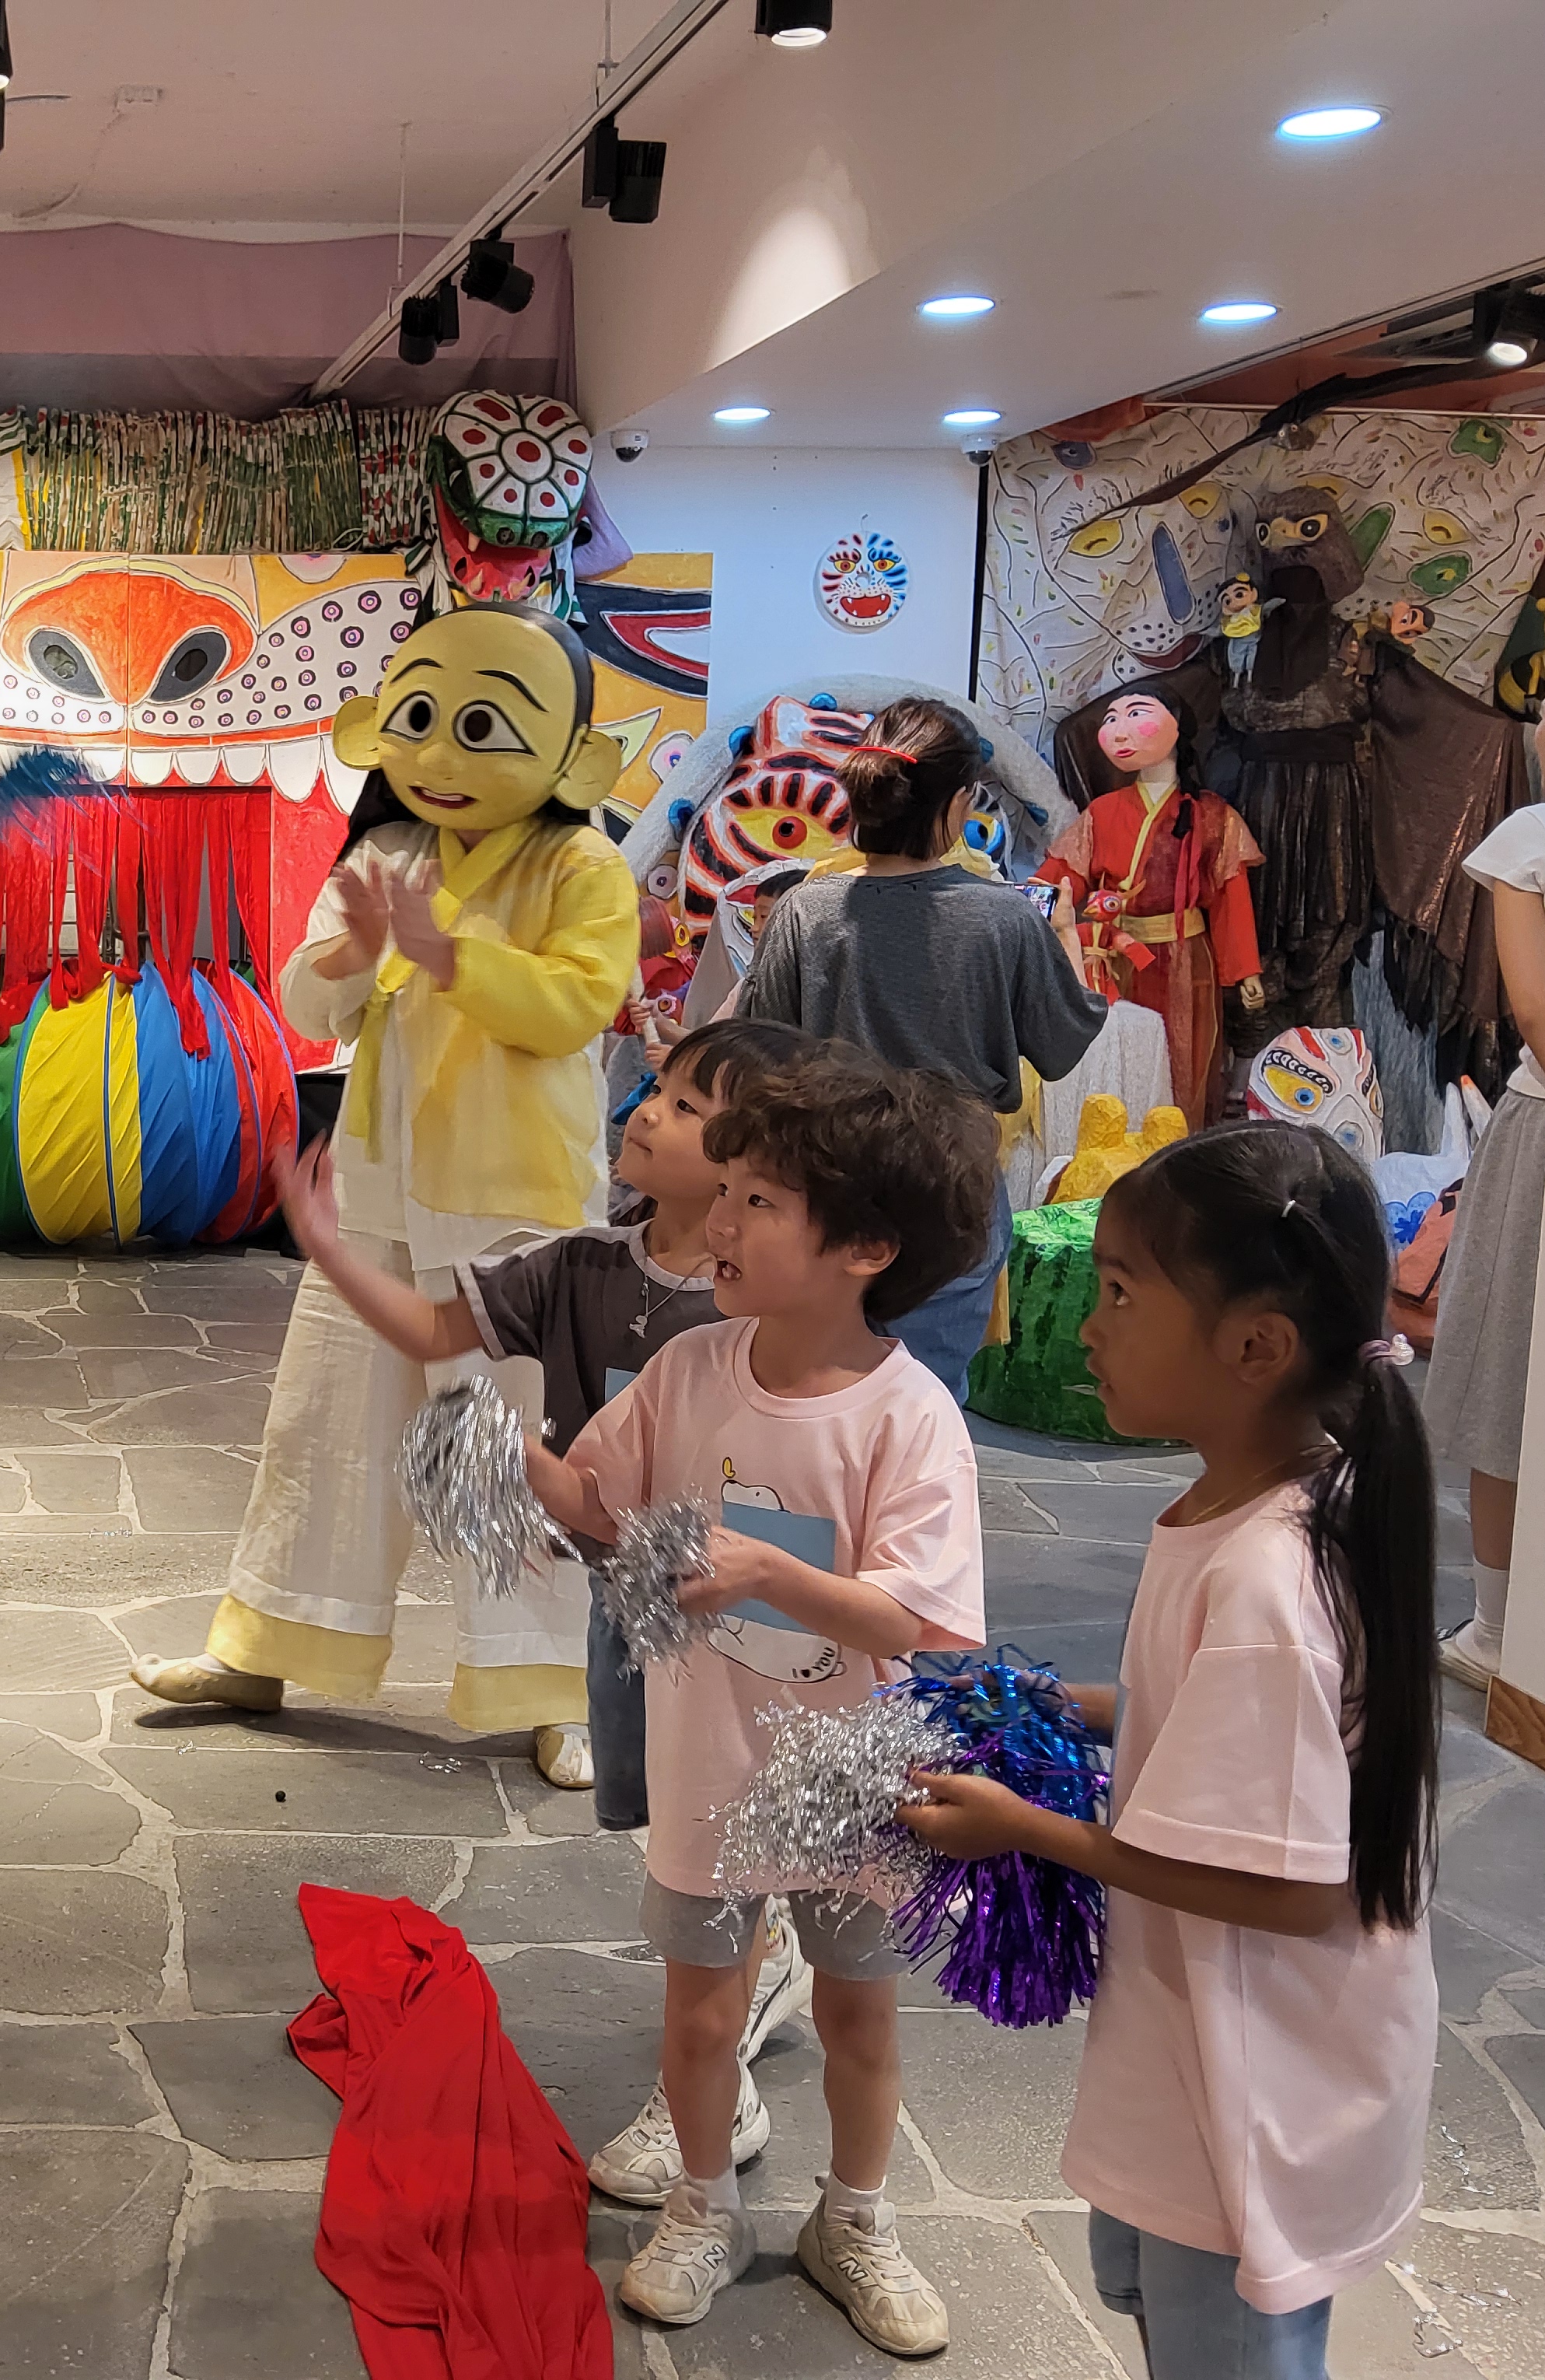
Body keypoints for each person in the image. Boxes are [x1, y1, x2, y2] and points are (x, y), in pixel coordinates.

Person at [907, 1122, 1439, 2378]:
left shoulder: (1265, 1576)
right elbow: (1210, 1715)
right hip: (1213, 2035)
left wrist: (1030, 1830)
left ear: (1256, 1347)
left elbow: (1292, 1889)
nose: (1089, 1328)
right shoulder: (1253, 1503)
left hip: (1255, 2077)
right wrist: (1068, 1704)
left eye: (1122, 1294)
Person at [537, 1044, 998, 2353]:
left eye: (758, 1202)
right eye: (725, 1191)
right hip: (709, 1766)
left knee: (858, 2014)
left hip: (850, 1777)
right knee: (698, 2015)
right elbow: (600, 1502)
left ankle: (855, 2217)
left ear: (865, 1247)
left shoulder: (909, 1416)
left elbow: (913, 1619)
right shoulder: (691, 1370)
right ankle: (704, 2205)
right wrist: (520, 1465)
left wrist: (767, 1572)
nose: (720, 1221)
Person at [131, 601, 638, 1783]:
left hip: (519, 1207)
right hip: (377, 1196)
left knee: (511, 1448)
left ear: (572, 757)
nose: (442, 754)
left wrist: (445, 949)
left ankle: (555, 1687)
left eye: (481, 726)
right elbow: (309, 1006)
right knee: (325, 1432)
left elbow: (573, 1008)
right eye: (421, 719)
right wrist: (360, 951)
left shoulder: (583, 864)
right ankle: (265, 1646)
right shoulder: (386, 854)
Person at [259, 1015, 810, 1805]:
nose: (646, 1112)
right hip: (621, 1607)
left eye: (686, 1108)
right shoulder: (580, 1265)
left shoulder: (769, 1305)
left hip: (742, 1621)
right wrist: (332, 1251)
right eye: (657, 1089)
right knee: (663, 1816)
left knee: (750, 1788)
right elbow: (436, 1329)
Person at [742, 697, 1109, 1397]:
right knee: (924, 1402)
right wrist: (1067, 936)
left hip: (821, 1180)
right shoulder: (1003, 917)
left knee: (807, 1390)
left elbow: (762, 1052)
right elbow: (1062, 1044)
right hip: (951, 1185)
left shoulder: (803, 912)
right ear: (958, 802)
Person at [1429, 643, 1545, 1689]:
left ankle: (1495, 1628)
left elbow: (1536, 1011)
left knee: (1508, 1370)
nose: (1535, 733)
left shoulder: (1537, 835)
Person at [1033, 688, 1267, 1121]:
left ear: (1178, 729)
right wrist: (1027, 908)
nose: (1118, 729)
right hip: (1110, 962)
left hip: (1185, 961)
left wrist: (1244, 970)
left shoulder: (1213, 816)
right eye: (1111, 719)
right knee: (1115, 1058)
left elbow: (1230, 899)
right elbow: (1062, 877)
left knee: (1181, 1061)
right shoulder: (1102, 812)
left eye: (1135, 714)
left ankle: (1173, 1145)